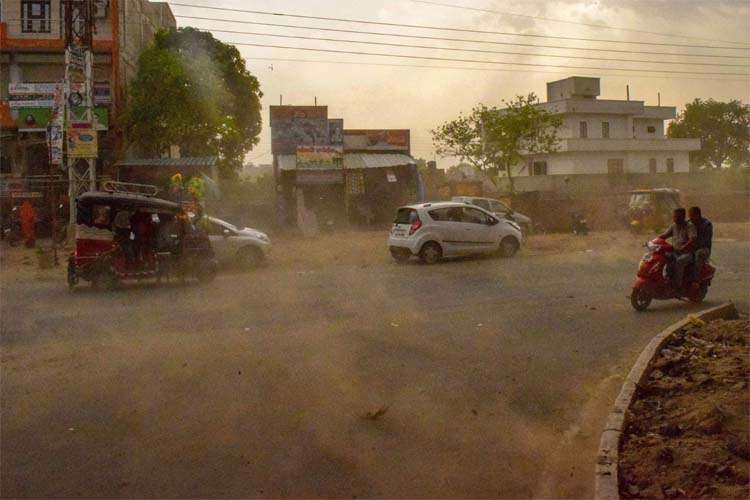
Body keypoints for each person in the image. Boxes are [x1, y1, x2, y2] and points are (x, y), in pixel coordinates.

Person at [658, 208, 696, 290]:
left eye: (677, 217)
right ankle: (666, 278)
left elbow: (692, 239)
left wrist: (684, 247)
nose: (675, 219)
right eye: (674, 217)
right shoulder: (673, 226)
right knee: (662, 257)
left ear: (683, 217)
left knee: (679, 262)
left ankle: (677, 285)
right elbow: (664, 235)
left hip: (687, 253)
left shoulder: (689, 226)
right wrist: (654, 241)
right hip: (675, 252)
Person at [688, 206, 712, 285]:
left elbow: (705, 241)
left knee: (698, 254)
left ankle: (696, 279)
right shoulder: (689, 223)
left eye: (692, 216)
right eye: (689, 216)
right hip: (690, 247)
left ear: (698, 215)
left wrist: (692, 246)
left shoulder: (707, 224)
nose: (690, 218)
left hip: (704, 248)